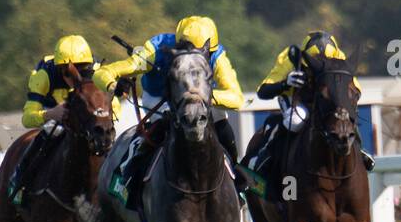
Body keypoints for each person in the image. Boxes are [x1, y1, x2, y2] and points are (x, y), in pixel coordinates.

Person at [95, 16, 243, 206]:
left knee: (220, 117)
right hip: (159, 99)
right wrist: (113, 84)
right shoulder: (155, 50)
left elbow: (236, 98)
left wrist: (200, 98)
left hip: (199, 99)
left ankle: (237, 176)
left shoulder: (217, 55)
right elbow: (102, 72)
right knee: (163, 123)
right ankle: (126, 179)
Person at [241, 30, 373, 185]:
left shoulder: (339, 57)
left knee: (345, 116)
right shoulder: (289, 58)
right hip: (297, 100)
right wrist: (285, 83)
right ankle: (265, 158)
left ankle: (359, 149)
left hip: (324, 103)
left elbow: (356, 89)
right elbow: (263, 91)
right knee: (296, 120)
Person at [5, 34, 107, 205]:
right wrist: (50, 114)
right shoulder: (44, 75)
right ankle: (19, 181)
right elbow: (27, 118)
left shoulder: (97, 73)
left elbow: (114, 107)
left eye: (83, 69)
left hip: (86, 120)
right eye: (71, 72)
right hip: (55, 114)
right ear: (61, 70)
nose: (77, 76)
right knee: (49, 133)